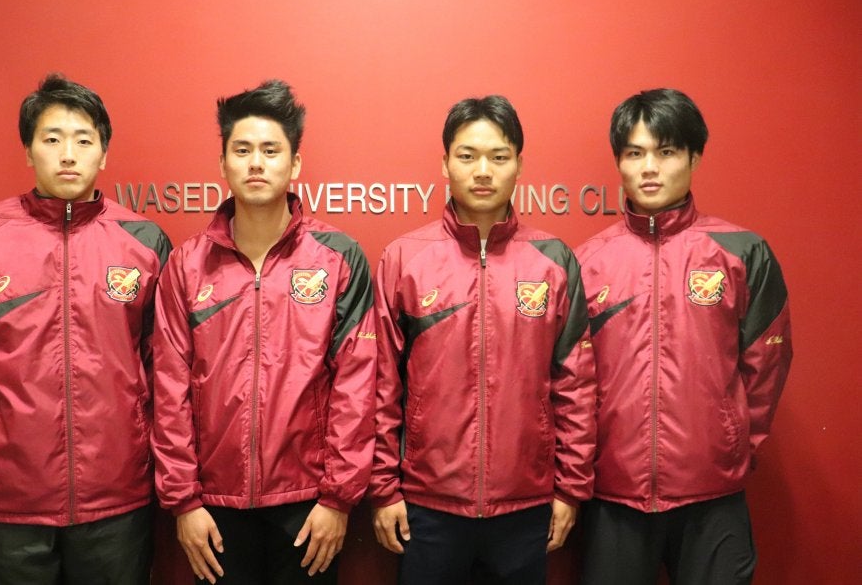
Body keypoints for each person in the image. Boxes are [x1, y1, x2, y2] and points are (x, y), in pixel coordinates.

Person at [0, 74, 172, 584]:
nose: (68, 155)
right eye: (52, 139)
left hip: (117, 499)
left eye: (84, 140)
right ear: (28, 150)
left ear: (104, 153)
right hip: (7, 501)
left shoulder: (144, 242)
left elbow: (163, 367)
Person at [151, 79, 376, 584]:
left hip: (309, 507)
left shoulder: (338, 258)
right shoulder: (186, 266)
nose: (256, 163)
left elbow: (356, 384)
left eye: (271, 151)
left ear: (294, 164)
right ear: (223, 163)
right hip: (213, 509)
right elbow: (168, 388)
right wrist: (184, 502)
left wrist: (338, 499)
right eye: (243, 150)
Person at [368, 95, 596, 584]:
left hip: (526, 505)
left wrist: (570, 489)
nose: (483, 171)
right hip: (426, 504)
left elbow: (574, 384)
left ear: (519, 165)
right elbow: (382, 384)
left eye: (499, 156)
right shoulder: (405, 259)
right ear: (445, 163)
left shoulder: (554, 261)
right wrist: (384, 488)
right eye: (467, 156)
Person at [576, 88, 793, 585]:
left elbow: (766, 366)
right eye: (635, 153)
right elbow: (572, 379)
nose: (650, 167)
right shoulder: (587, 262)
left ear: (694, 157)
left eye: (667, 151)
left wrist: (733, 445)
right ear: (619, 162)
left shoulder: (742, 253)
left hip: (713, 495)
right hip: (614, 494)